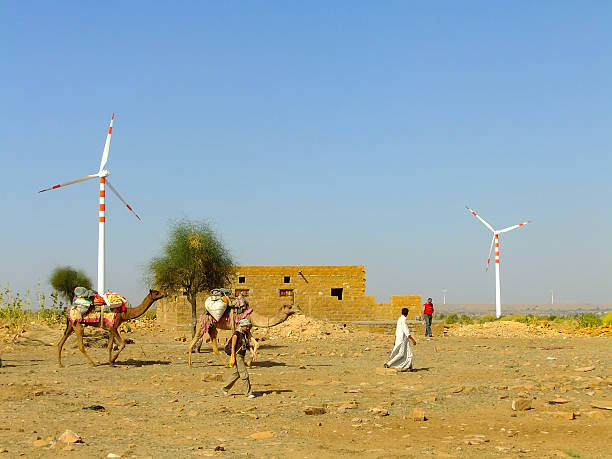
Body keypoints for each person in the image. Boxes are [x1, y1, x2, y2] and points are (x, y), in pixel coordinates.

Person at [222, 318, 258, 398]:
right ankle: (248, 393)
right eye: (246, 326)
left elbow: (248, 345)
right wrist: (233, 358)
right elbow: (233, 347)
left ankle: (225, 388)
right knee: (244, 374)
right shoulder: (236, 334)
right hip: (237, 356)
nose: (248, 328)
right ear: (242, 326)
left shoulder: (245, 334)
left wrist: (254, 354)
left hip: (242, 356)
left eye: (248, 326)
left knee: (236, 374)